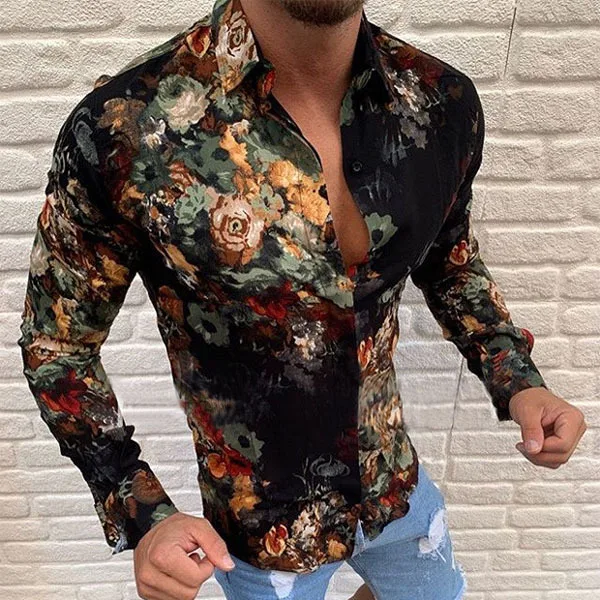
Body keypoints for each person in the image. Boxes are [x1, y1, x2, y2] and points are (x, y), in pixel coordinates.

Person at [17, 0, 587, 599]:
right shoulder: (123, 129)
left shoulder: (440, 103)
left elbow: (449, 259)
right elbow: (58, 346)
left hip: (394, 487)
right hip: (261, 532)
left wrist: (517, 379)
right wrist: (143, 512)